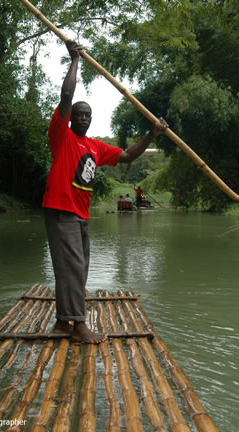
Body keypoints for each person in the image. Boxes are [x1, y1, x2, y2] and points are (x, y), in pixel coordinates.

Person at [42, 40, 168, 344]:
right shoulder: (62, 135)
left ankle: (62, 321)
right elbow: (67, 94)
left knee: (76, 266)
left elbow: (127, 156)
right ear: (70, 117)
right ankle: (79, 326)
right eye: (79, 114)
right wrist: (75, 61)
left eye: (87, 115)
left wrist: (151, 133)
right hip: (61, 208)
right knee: (73, 265)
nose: (83, 117)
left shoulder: (95, 147)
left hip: (80, 213)